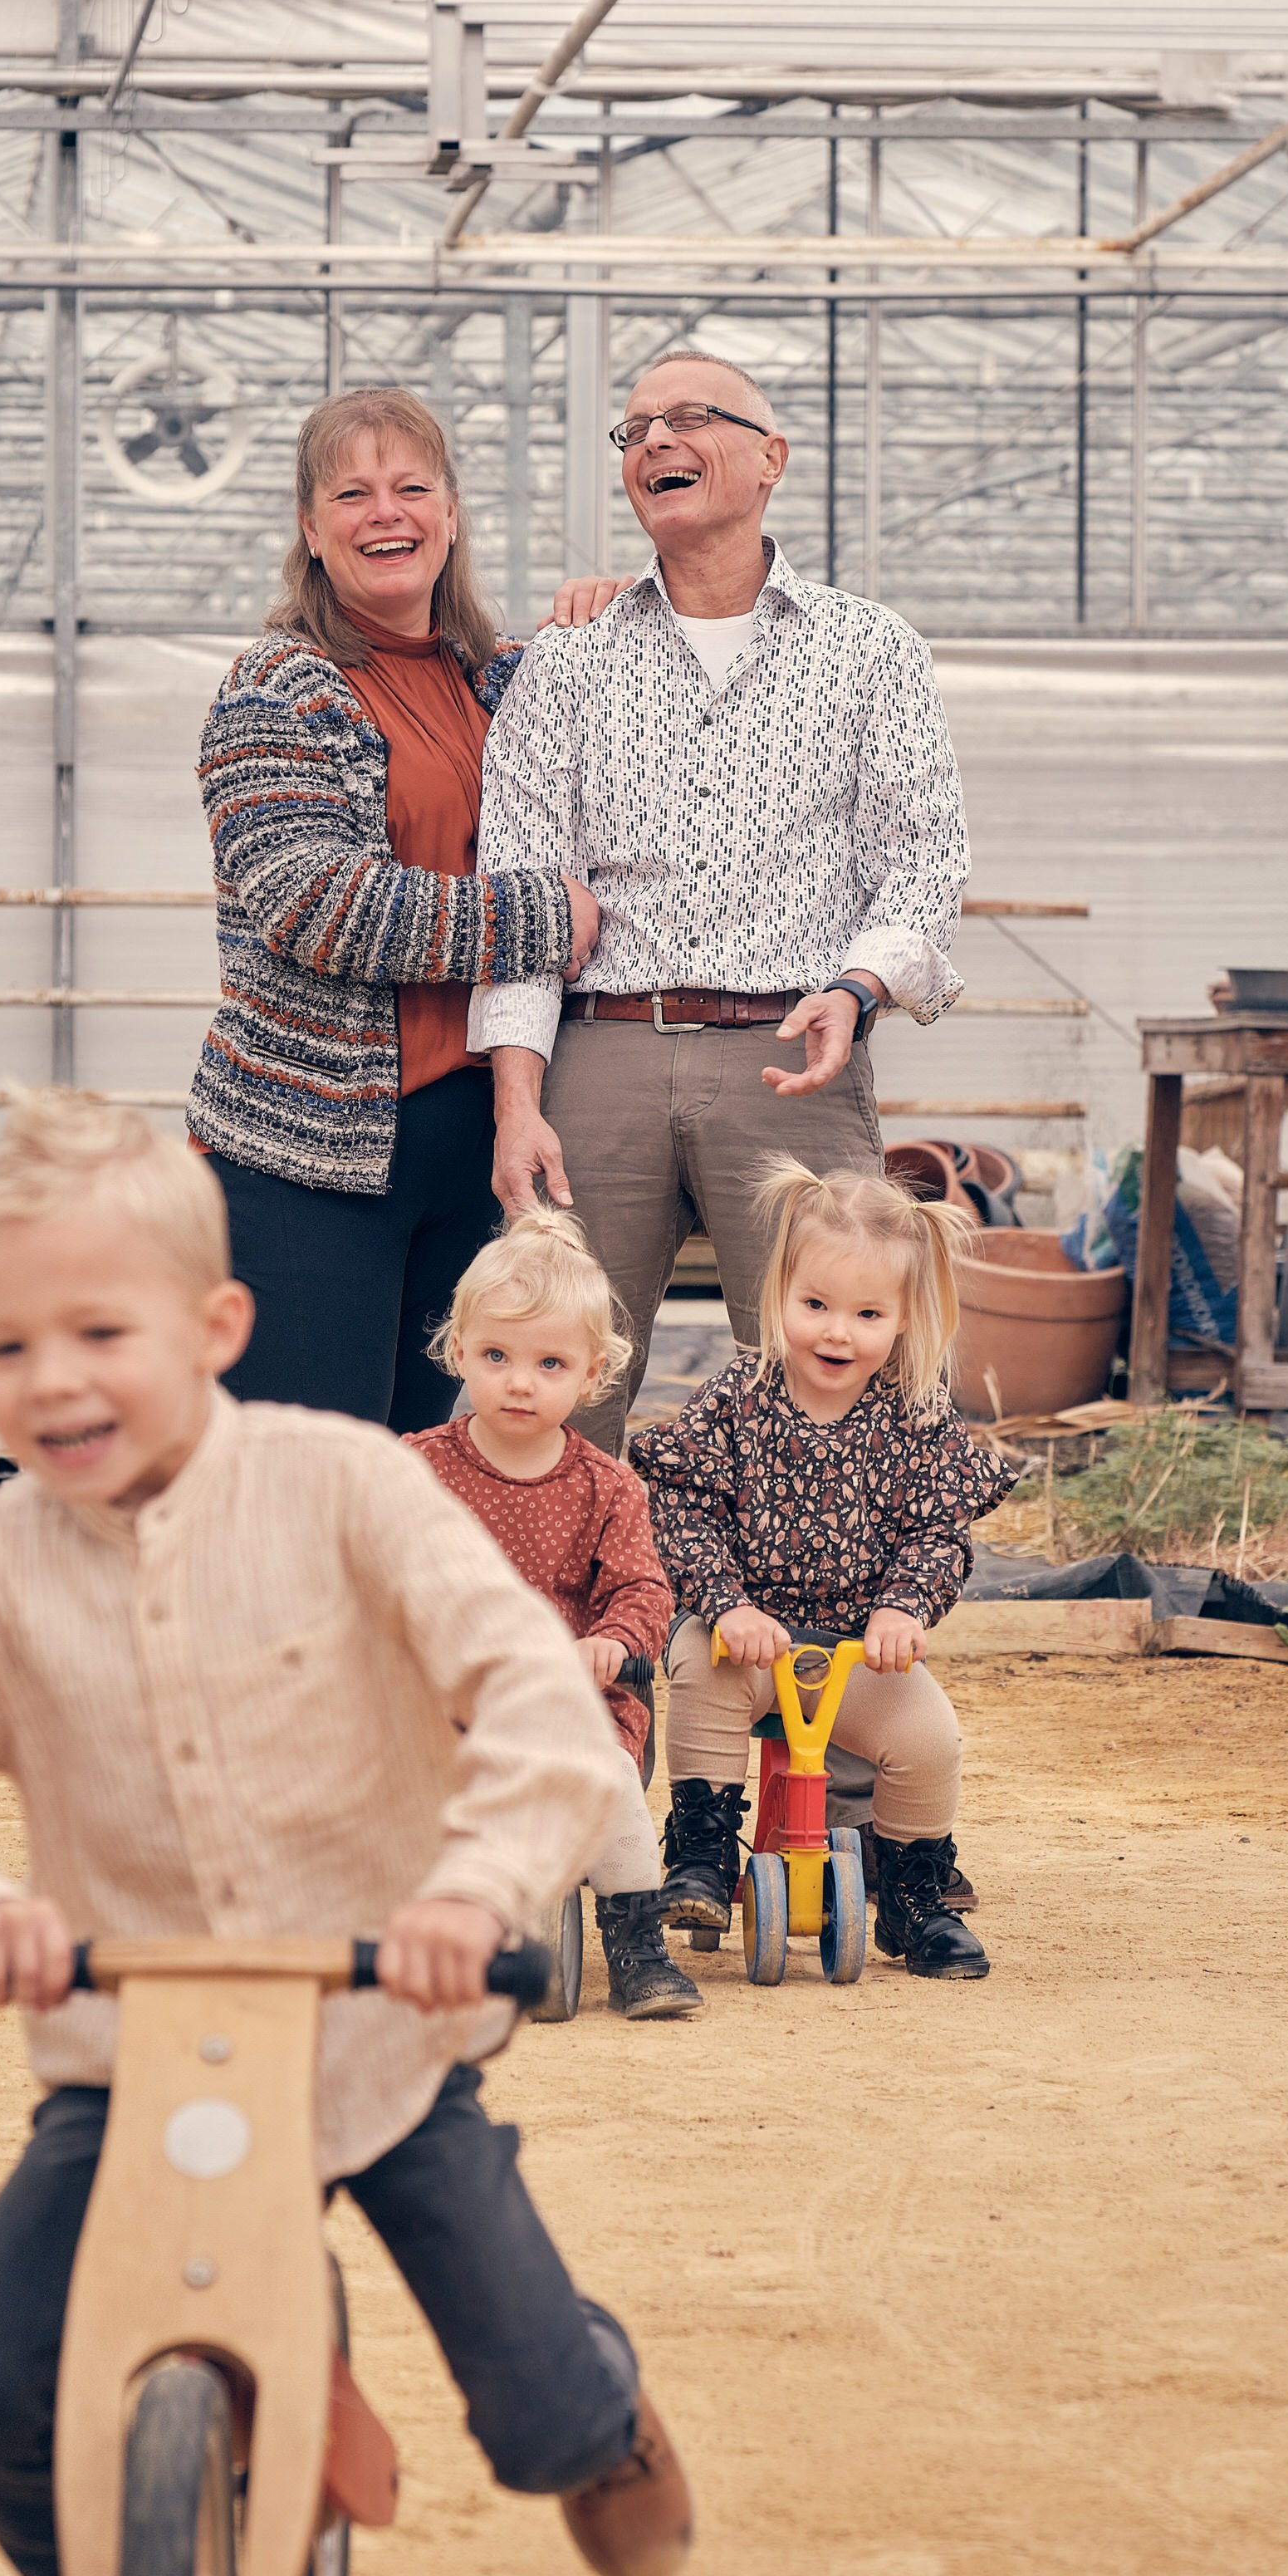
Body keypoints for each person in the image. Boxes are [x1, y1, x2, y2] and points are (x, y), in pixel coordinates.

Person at [0, 1090, 693, 2576]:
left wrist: (474, 1889)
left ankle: (598, 2418)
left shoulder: (351, 1488)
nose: (54, 1380)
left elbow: (534, 1700)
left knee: (540, 2411)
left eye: (103, 1334)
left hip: (384, 2039)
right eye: (10, 1344)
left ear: (217, 1326)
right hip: (130, 2052)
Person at [468, 348, 970, 1450]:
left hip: (792, 1051)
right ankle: (553, 1624)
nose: (654, 440)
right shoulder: (570, 660)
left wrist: (859, 981)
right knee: (551, 1381)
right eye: (635, 428)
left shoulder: (870, 649)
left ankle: (797, 1626)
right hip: (599, 1053)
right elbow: (517, 894)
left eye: (690, 417)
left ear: (769, 459)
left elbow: (927, 858)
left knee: (828, 1385)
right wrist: (515, 1102)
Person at [184, 384, 602, 1430]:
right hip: (311, 1153)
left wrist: (610, 614)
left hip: (470, 1147)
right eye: (353, 493)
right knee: (310, 1466)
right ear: (311, 531)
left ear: (451, 515)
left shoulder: (498, 681)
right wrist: (542, 918)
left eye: (413, 487)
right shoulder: (275, 688)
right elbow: (317, 903)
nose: (388, 513)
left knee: (427, 1467)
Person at [625, 1159, 1016, 1983]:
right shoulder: (740, 1392)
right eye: (815, 1306)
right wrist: (726, 1603)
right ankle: (698, 1854)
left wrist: (904, 1609)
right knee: (697, 1664)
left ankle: (911, 1896)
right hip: (751, 1645)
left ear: (904, 1319)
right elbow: (684, 1507)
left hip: (852, 1654)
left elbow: (935, 1531)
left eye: (866, 1314)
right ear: (779, 1296)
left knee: (927, 1737)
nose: (836, 1333)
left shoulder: (915, 1409)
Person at [408, 1210, 702, 2024]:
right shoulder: (416, 1468)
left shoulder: (609, 1487)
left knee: (604, 1781)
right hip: (452, 1704)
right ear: (459, 1349)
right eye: (496, 1356)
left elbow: (645, 1591)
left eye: (549, 1363)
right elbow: (378, 1570)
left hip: (577, 1703)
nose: (519, 1381)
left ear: (591, 1373)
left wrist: (611, 1644)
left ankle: (638, 1945)